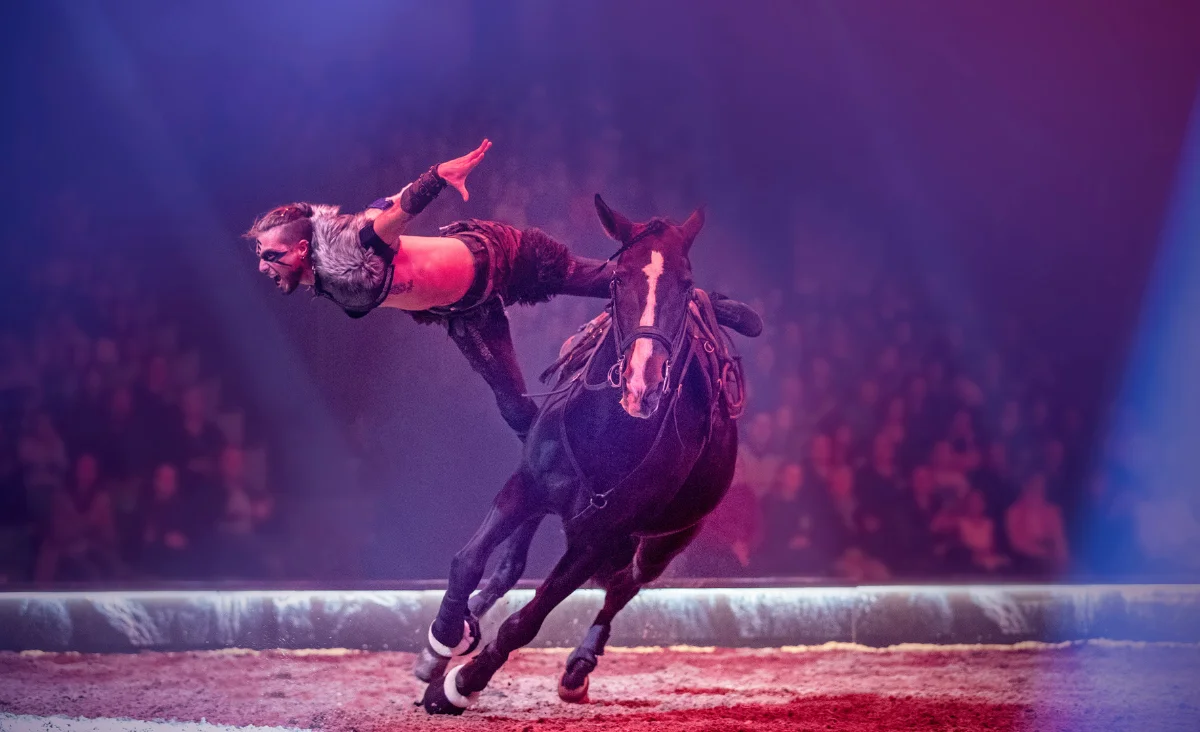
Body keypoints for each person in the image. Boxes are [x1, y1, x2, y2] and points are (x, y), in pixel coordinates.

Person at [246, 140, 761, 439]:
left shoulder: (347, 249)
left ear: (298, 250)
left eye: (270, 254)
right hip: (461, 307)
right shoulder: (326, 268)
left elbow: (388, 216)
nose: (264, 265)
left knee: (611, 282)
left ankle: (706, 302)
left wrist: (436, 177)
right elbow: (377, 209)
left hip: (502, 257)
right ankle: (560, 477)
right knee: (515, 407)